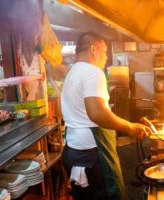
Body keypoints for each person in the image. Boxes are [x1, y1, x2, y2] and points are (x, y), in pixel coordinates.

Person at [61, 31, 152, 200]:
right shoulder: (93, 72)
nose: (105, 58)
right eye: (104, 52)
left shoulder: (72, 73)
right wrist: (130, 127)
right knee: (109, 195)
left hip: (75, 151)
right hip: (94, 153)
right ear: (93, 49)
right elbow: (96, 113)